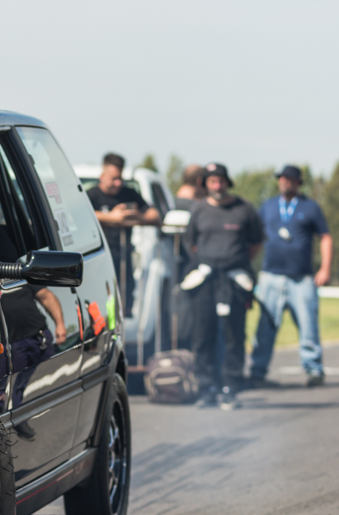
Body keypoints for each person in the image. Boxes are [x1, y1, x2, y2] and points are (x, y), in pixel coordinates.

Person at [181, 163, 264, 410]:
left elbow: (256, 243)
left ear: (228, 182)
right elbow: (190, 243)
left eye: (220, 181)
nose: (217, 186)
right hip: (205, 280)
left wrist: (234, 262)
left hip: (234, 280)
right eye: (212, 182)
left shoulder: (244, 209)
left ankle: (230, 388)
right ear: (206, 184)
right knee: (202, 335)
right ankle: (206, 389)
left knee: (233, 336)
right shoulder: (199, 209)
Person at [249, 165, 332, 388]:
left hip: (301, 277)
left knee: (308, 326)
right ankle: (257, 371)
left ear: (298, 182)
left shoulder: (310, 207)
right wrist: (248, 264)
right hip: (271, 276)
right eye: (282, 178)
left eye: (289, 178)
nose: (284, 182)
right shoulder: (268, 206)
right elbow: (255, 237)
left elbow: (325, 237)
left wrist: (325, 268)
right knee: (265, 326)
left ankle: (314, 369)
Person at [87, 153, 161, 313]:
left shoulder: (129, 194)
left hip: (123, 259)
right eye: (113, 178)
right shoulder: (91, 195)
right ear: (102, 176)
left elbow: (155, 216)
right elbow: (79, 216)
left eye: (120, 178)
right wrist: (110, 217)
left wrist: (135, 217)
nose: (118, 183)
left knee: (122, 307)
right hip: (98, 260)